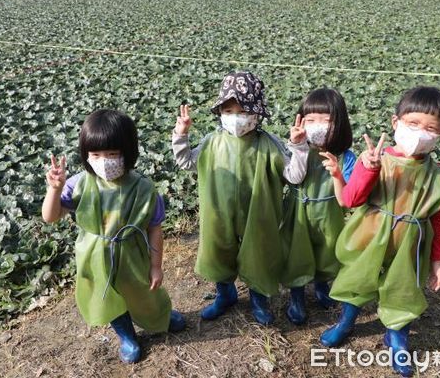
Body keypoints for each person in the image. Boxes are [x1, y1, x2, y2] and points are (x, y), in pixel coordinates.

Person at [320, 87, 440, 377]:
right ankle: (346, 321)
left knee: (403, 289)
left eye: (431, 128)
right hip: (370, 235)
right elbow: (352, 200)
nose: (420, 133)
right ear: (396, 123)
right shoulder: (378, 160)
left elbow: (436, 217)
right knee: (357, 279)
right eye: (413, 124)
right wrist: (368, 169)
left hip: (411, 243)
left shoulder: (437, 174)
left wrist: (437, 259)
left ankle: (397, 337)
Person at [42, 109, 185, 364]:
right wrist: (54, 190)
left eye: (112, 154)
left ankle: (160, 318)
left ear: (128, 152)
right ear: (86, 155)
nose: (104, 161)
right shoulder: (79, 184)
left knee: (146, 292)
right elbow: (51, 217)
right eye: (95, 154)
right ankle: (128, 336)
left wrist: (155, 266)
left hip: (133, 255)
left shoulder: (143, 188)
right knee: (108, 297)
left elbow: (154, 229)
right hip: (95, 258)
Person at [172, 71, 309, 325]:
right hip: (218, 214)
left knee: (258, 256)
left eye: (242, 111)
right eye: (228, 111)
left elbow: (295, 176)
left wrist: (299, 147)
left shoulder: (268, 144)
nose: (235, 118)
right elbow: (186, 162)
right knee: (218, 252)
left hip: (257, 216)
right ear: (220, 113)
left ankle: (259, 301)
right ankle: (225, 296)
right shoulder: (211, 142)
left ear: (256, 114)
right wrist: (181, 136)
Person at [280, 88, 356, 325]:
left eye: (326, 120)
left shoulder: (346, 156)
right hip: (298, 213)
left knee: (327, 251)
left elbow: (351, 193)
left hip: (330, 214)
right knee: (297, 253)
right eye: (311, 120)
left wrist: (337, 174)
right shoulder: (293, 148)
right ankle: (297, 296)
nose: (318, 126)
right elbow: (289, 176)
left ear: (340, 123)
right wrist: (297, 146)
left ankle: (322, 287)